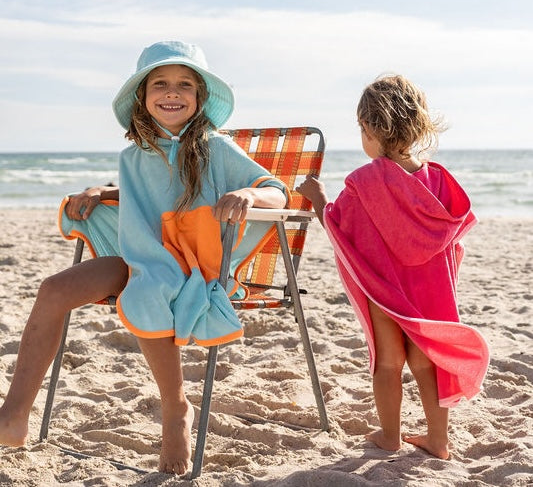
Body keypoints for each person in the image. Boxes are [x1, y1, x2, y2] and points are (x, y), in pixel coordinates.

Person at [0, 40, 288, 475]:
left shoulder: (217, 148)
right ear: (142, 96)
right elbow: (150, 197)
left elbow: (276, 190)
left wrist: (249, 192)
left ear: (199, 97)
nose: (172, 92)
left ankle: (175, 408)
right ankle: (13, 417)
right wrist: (103, 192)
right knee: (54, 289)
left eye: (184, 85)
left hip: (196, 264)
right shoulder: (132, 157)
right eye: (160, 83)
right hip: (141, 255)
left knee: (149, 289)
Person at [297, 74, 489, 460]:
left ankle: (390, 435)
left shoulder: (365, 180)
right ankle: (438, 440)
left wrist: (318, 199)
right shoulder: (437, 179)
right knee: (424, 362)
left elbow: (341, 229)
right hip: (428, 290)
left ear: (368, 128)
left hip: (385, 287)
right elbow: (448, 236)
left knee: (387, 363)